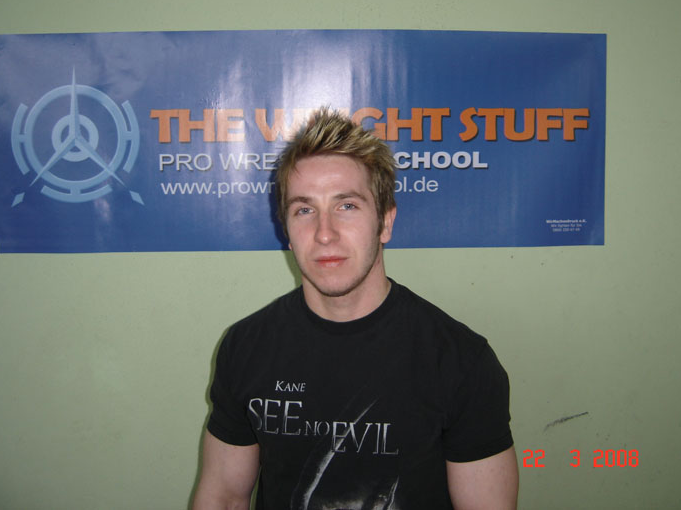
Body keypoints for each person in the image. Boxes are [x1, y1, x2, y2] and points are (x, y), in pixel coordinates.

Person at [192, 109, 518, 509]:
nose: (324, 233)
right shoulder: (245, 346)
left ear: (385, 222)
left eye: (346, 206)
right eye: (304, 210)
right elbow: (224, 496)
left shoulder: (460, 361)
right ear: (287, 232)